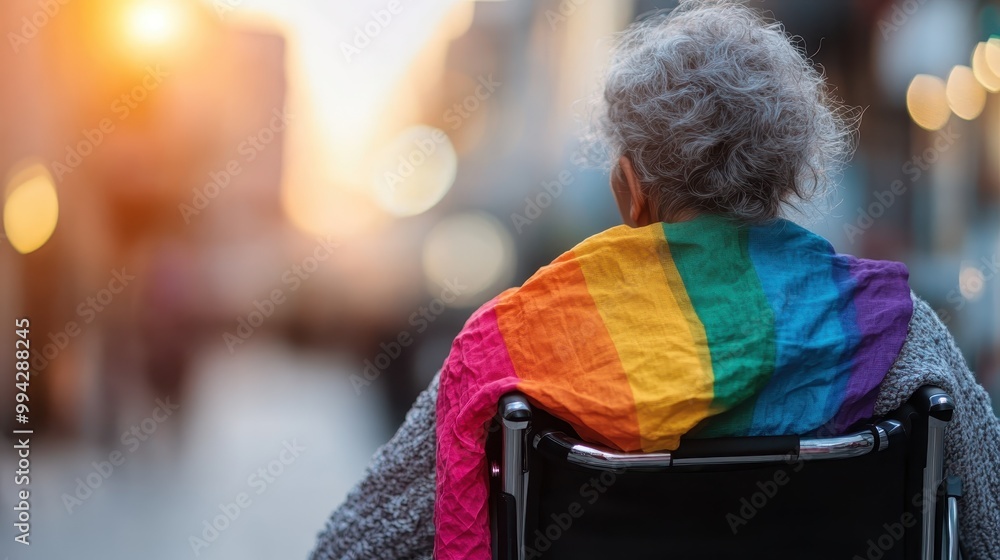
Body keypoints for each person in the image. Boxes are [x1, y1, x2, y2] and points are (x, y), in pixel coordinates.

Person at [310, 2, 1000, 558]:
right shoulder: (899, 331)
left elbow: (352, 545)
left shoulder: (508, 349)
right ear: (786, 182)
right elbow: (988, 522)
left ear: (629, 189)